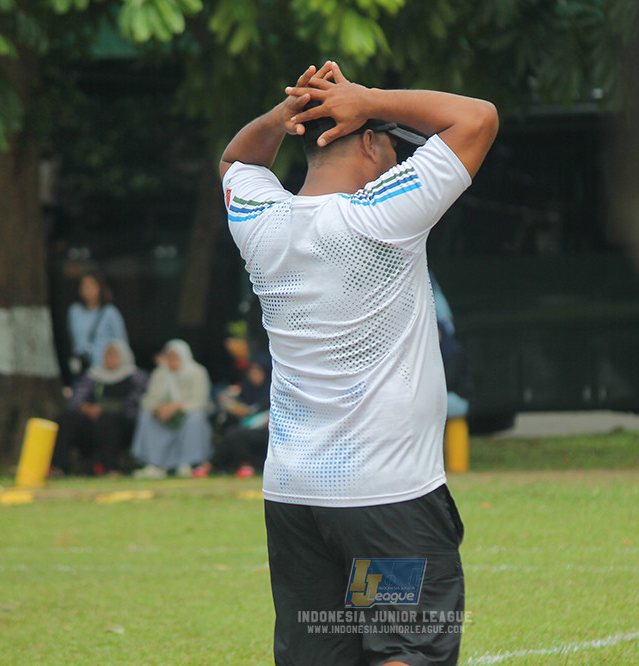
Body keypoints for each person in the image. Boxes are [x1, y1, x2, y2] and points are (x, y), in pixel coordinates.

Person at [220, 61, 497, 665]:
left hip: (297, 498)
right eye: (394, 150)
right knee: (404, 649)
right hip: (385, 501)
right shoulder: (382, 215)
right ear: (369, 142)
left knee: (324, 654)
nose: (401, 164)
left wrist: (283, 114)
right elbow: (477, 117)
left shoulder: (259, 220)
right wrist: (366, 97)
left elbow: (235, 164)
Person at [51, 340, 149, 476]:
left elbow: (134, 406)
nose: (110, 359)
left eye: (115, 355)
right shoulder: (94, 376)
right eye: (107, 355)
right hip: (92, 422)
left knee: (107, 420)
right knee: (66, 419)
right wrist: (87, 409)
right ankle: (59, 466)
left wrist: (104, 410)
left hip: (121, 425)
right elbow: (76, 401)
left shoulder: (135, 376)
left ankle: (110, 467)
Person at [131, 339, 212, 479]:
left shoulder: (197, 372)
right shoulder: (160, 373)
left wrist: (177, 407)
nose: (172, 361)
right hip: (164, 418)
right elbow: (148, 398)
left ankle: (187, 463)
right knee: (146, 415)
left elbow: (200, 401)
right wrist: (158, 409)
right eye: (170, 357)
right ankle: (155, 464)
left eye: (176, 357)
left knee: (196, 417)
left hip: (187, 415)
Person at [197, 354, 272, 478]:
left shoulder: (271, 390)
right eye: (251, 371)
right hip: (245, 426)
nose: (254, 375)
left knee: (235, 434)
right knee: (233, 432)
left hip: (266, 429)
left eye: (257, 371)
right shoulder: (247, 388)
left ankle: (211, 465)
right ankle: (243, 465)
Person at [67, 270, 128, 380]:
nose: (87, 290)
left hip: (103, 369)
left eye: (91, 286)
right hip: (81, 368)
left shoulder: (110, 312)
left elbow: (121, 344)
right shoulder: (74, 311)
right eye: (84, 286)